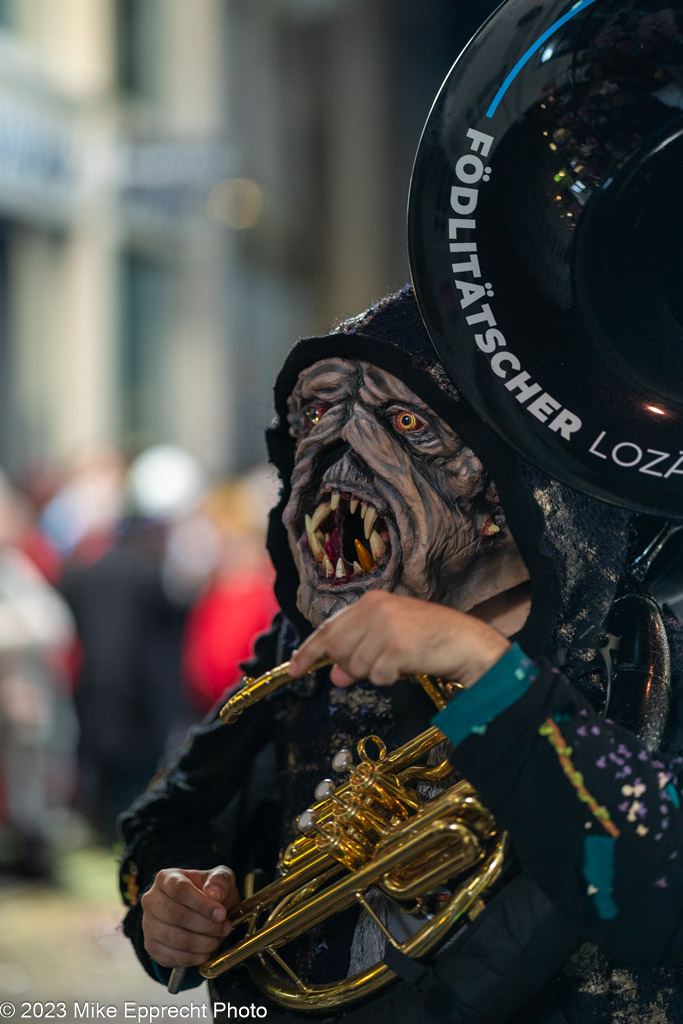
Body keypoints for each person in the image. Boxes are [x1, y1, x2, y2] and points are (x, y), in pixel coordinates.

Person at [118, 287, 683, 1023]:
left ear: (511, 473)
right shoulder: (309, 644)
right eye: (315, 417)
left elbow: (656, 904)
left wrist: (483, 668)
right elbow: (171, 814)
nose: (335, 455)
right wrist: (170, 902)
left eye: (407, 423)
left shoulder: (647, 645)